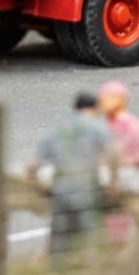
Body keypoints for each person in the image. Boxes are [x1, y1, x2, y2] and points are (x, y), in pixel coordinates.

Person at [28, 93, 120, 256]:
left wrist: (41, 186)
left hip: (61, 192)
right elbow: (114, 152)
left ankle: (59, 268)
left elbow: (32, 166)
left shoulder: (59, 130)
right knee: (91, 239)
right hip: (87, 191)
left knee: (60, 243)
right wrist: (113, 181)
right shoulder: (96, 127)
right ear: (95, 109)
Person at [97, 81, 139, 167]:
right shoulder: (104, 124)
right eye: (101, 99)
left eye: (109, 99)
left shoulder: (131, 125)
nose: (103, 103)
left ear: (122, 101)